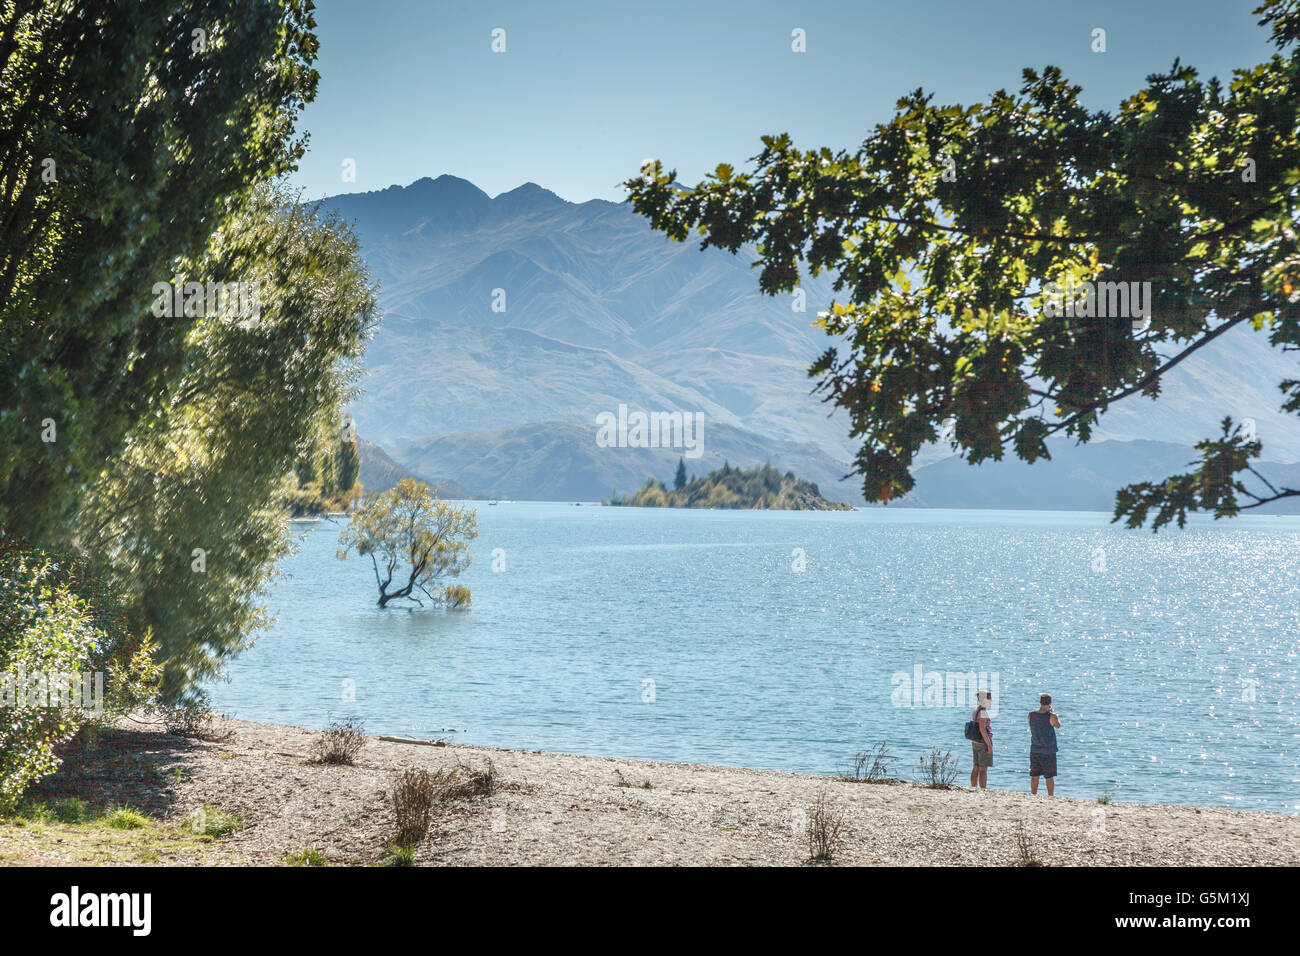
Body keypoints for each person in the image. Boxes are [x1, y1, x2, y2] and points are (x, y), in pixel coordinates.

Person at [1028, 693, 1061, 795]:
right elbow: (1058, 726)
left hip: (1035, 748)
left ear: (1040, 702)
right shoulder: (1051, 716)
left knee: (1034, 775)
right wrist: (1052, 712)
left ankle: (1033, 794)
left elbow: (1030, 724)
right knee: (1049, 777)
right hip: (1048, 750)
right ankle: (1050, 796)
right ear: (1050, 703)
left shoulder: (1031, 714)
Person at [969, 689, 993, 789]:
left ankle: (973, 787)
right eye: (990, 698)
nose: (991, 700)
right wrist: (989, 745)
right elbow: (982, 730)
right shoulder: (983, 712)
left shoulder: (976, 710)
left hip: (975, 741)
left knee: (976, 766)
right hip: (983, 741)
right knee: (983, 769)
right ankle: (983, 788)